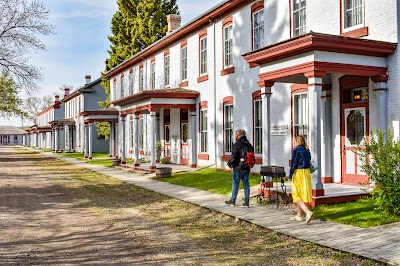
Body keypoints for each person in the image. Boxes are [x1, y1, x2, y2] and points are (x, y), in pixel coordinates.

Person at [225, 129, 254, 207]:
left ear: (239, 135)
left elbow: (233, 156)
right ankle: (246, 202)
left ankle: (233, 201)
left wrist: (229, 164)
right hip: (247, 168)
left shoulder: (236, 144)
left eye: (236, 135)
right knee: (246, 185)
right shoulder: (249, 145)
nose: (235, 136)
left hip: (237, 168)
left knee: (235, 184)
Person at [289, 135, 314, 223]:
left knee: (295, 194)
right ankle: (299, 216)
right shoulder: (307, 149)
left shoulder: (296, 150)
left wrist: (290, 174)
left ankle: (308, 212)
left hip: (299, 172)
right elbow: (309, 159)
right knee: (301, 194)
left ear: (296, 141)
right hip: (306, 173)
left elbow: (294, 163)